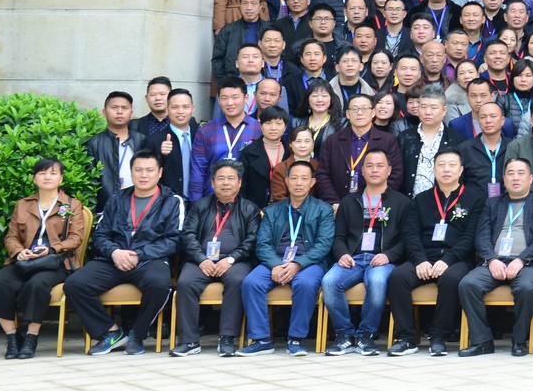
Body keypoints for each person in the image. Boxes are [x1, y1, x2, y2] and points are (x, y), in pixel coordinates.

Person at [65, 150, 181, 355]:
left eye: (149, 170)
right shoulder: (116, 199)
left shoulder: (173, 201)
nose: (143, 175)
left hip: (149, 260)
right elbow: (100, 236)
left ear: (160, 172)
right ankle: (111, 333)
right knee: (75, 284)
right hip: (114, 259)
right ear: (131, 172)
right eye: (138, 170)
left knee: (159, 285)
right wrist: (114, 252)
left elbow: (174, 240)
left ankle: (138, 333)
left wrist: (139, 255)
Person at [0, 157, 92, 360]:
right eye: (42, 173)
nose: (47, 177)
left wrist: (52, 249)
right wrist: (19, 251)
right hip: (25, 261)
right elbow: (11, 236)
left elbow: (76, 238)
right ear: (34, 178)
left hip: (55, 262)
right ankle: (12, 338)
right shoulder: (23, 205)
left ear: (61, 178)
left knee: (37, 285)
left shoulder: (72, 205)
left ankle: (31, 337)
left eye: (53, 173)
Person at [387, 148, 481, 355]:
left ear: (461, 170)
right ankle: (406, 338)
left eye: (452, 165)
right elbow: (410, 234)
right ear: (434, 169)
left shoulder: (474, 199)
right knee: (397, 277)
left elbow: (470, 237)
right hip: (424, 257)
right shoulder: (420, 200)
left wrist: (447, 260)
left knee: (451, 279)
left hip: (455, 259)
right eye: (441, 165)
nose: (446, 169)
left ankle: (438, 336)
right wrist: (420, 260)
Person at [458, 158, 533, 356]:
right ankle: (482, 341)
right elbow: (482, 236)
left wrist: (522, 260)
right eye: (510, 173)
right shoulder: (492, 203)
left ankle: (519, 341)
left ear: (530, 178)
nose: (515, 178)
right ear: (504, 178)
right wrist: (491, 260)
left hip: (527, 264)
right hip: (495, 261)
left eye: (520, 173)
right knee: (468, 284)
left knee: (526, 288)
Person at [238, 159, 334, 357]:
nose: (299, 183)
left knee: (305, 284)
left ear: (312, 182)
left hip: (308, 262)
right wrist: (275, 264)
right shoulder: (272, 210)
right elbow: (262, 243)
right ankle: (262, 340)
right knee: (251, 282)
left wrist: (298, 264)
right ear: (286, 181)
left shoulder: (323, 210)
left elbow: (323, 244)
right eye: (294, 178)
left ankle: (295, 339)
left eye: (304, 179)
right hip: (275, 261)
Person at [322, 150, 409, 356]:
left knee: (377, 282)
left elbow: (407, 240)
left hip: (382, 260)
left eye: (380, 166)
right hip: (352, 259)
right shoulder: (349, 202)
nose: (374, 170)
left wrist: (389, 256)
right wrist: (342, 254)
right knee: (329, 281)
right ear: (362, 171)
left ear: (389, 170)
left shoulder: (401, 202)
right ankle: (344, 335)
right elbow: (339, 237)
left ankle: (365, 336)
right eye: (369, 166)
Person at [170, 160, 259, 357]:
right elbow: (188, 235)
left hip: (235, 261)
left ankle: (227, 338)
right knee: (185, 282)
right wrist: (201, 259)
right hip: (201, 260)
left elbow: (252, 240)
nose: (225, 183)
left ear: (239, 182)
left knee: (237, 280)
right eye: (221, 178)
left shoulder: (250, 209)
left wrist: (231, 259)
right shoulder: (200, 206)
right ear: (212, 182)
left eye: (230, 178)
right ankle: (188, 341)